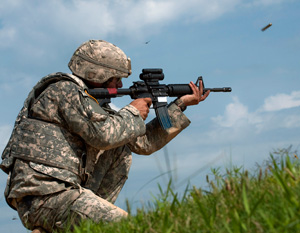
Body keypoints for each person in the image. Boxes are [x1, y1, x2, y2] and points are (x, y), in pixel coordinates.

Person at [0, 39, 209, 232]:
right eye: (115, 78)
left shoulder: (90, 103)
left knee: (122, 147)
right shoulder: (63, 90)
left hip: (61, 194)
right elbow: (104, 136)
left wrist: (180, 104)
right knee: (129, 227)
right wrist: (134, 111)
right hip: (44, 196)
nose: (119, 85)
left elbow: (142, 143)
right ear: (97, 75)